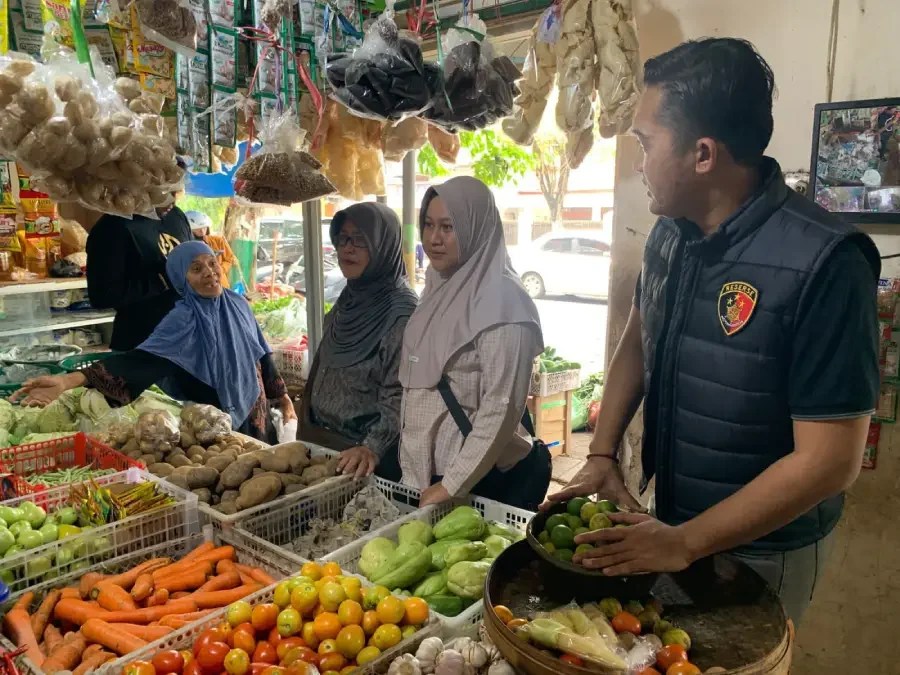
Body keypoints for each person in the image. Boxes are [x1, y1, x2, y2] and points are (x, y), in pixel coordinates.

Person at [546, 38, 880, 624]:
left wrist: (687, 542)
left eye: (646, 143)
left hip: (763, 550)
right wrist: (602, 451)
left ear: (702, 155)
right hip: (674, 522)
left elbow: (831, 461)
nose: (640, 160)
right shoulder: (671, 233)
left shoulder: (827, 261)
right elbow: (638, 337)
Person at [13, 241, 296, 443]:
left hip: (254, 407)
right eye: (196, 268)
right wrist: (67, 381)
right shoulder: (181, 320)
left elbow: (261, 353)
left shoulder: (238, 304)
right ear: (180, 280)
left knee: (266, 469)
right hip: (210, 419)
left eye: (212, 263)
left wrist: (281, 397)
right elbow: (139, 363)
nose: (209, 272)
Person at [399, 176, 551, 511]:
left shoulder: (503, 303)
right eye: (428, 225)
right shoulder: (438, 287)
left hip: (471, 482)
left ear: (475, 227)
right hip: (424, 477)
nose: (434, 239)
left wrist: (452, 484)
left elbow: (502, 406)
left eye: (448, 226)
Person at [300, 203, 417, 479]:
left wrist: (371, 447)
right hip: (323, 446)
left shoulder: (402, 313)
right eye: (343, 238)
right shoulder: (350, 298)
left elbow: (401, 394)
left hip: (364, 463)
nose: (347, 248)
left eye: (361, 240)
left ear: (383, 245)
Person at [85, 164, 193, 350]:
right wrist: (161, 280)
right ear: (142, 188)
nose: (171, 201)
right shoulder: (113, 227)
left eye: (176, 193)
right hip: (141, 343)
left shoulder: (175, 216)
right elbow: (101, 296)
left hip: (184, 337)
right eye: (165, 194)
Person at [186, 210, 239, 289]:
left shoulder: (218, 241)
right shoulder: (186, 246)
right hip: (201, 286)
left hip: (222, 284)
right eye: (198, 228)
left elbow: (230, 259)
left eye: (204, 227)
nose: (202, 231)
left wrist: (220, 269)